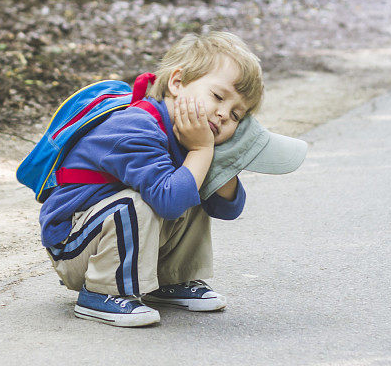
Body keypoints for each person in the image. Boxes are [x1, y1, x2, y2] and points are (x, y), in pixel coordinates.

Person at [39, 31, 307, 327]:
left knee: (192, 185)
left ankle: (170, 280)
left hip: (112, 238)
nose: (222, 114)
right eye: (218, 97)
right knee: (142, 201)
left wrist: (221, 157)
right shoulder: (135, 128)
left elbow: (226, 209)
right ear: (177, 83)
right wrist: (202, 150)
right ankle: (102, 293)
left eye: (235, 115)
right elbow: (168, 203)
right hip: (75, 247)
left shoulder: (188, 138)